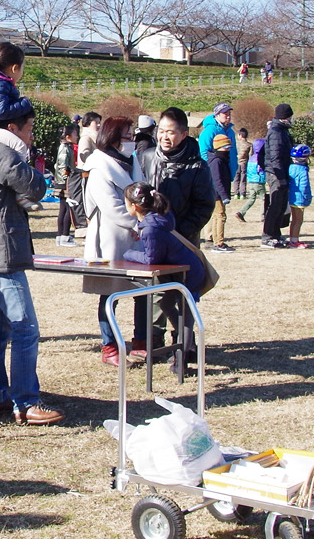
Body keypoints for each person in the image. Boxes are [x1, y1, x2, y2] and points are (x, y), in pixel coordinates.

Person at [0, 107, 59, 423]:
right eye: (29, 129)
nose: (31, 135)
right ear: (11, 128)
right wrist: (33, 168)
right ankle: (26, 402)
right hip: (0, 249)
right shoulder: (0, 150)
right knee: (25, 329)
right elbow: (34, 187)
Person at [135, 108, 216, 345]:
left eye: (171, 133)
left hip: (183, 239)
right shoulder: (147, 157)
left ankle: (184, 341)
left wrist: (178, 231)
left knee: (182, 292)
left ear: (183, 134)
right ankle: (153, 338)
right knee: (154, 289)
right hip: (152, 236)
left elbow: (204, 206)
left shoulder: (197, 166)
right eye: (161, 131)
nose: (164, 137)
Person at [83, 116, 143, 362]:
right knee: (109, 293)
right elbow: (111, 207)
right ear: (114, 137)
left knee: (144, 289)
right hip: (107, 239)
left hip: (136, 235)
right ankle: (109, 346)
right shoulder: (98, 166)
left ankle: (142, 340)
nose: (131, 141)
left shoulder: (133, 161)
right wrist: (137, 222)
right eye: (128, 136)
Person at [121, 181, 206, 291]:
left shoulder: (150, 229)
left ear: (135, 206)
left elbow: (151, 259)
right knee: (166, 306)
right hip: (188, 271)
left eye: (126, 204)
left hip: (187, 276)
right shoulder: (158, 218)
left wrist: (128, 254)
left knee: (182, 307)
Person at [199, 103, 239, 253]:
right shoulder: (209, 130)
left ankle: (210, 238)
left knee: (215, 210)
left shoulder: (231, 131)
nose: (227, 116)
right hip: (213, 173)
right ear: (216, 115)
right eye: (224, 114)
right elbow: (203, 152)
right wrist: (208, 171)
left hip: (226, 169)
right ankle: (214, 239)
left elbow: (233, 153)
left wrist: (233, 170)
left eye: (229, 113)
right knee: (217, 210)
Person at [259, 104, 294, 249]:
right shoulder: (276, 132)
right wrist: (280, 176)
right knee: (275, 205)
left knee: (281, 206)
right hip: (276, 173)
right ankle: (267, 236)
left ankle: (276, 234)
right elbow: (275, 157)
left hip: (282, 172)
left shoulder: (282, 131)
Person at [54, 126, 80, 245]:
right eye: (75, 134)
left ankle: (61, 236)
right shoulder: (64, 148)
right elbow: (62, 166)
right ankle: (64, 235)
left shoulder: (66, 147)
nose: (77, 137)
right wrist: (67, 179)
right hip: (65, 183)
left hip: (64, 182)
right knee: (68, 209)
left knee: (64, 209)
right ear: (68, 137)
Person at [232, 130, 266, 223]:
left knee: (252, 198)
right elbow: (262, 170)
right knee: (264, 198)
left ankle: (241, 212)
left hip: (251, 181)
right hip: (258, 181)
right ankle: (264, 216)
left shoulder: (252, 158)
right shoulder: (260, 159)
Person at [287, 144, 313, 247]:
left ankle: (292, 239)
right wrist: (307, 197)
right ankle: (294, 241)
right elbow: (304, 186)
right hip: (299, 199)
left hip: (292, 197)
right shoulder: (303, 170)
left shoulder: (291, 167)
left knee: (293, 220)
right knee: (298, 220)